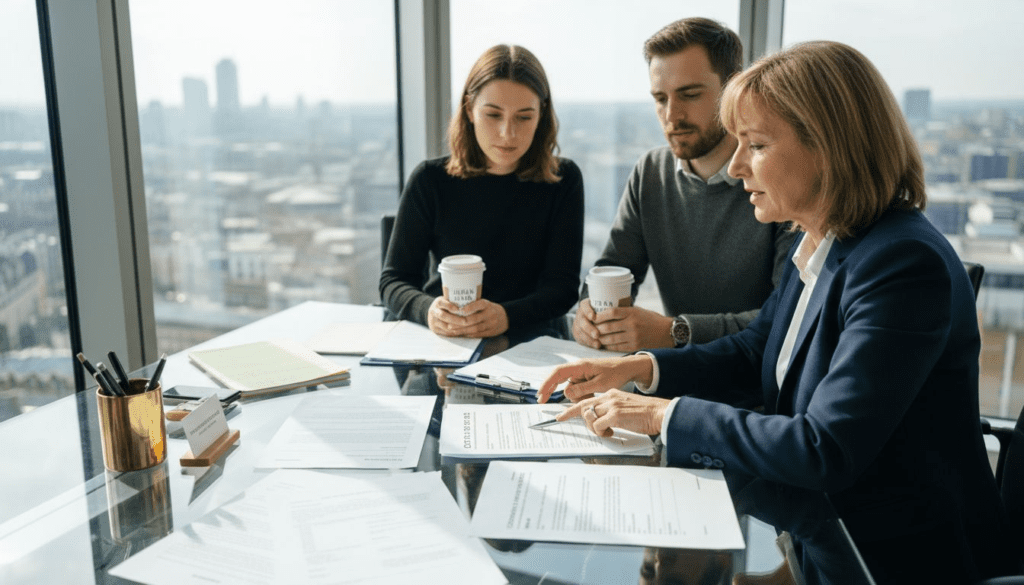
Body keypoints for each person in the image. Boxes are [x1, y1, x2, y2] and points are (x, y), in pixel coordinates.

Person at [538, 41, 1021, 583]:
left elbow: (824, 447)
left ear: (830, 148)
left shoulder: (902, 265)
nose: (738, 164)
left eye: (757, 144)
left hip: (893, 557)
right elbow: (755, 351)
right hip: (819, 527)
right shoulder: (822, 235)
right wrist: (642, 369)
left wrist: (662, 415)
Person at [573, 17, 795, 353]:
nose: (671, 116)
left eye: (689, 95)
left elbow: (786, 317)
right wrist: (588, 311)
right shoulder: (651, 171)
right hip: (671, 376)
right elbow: (614, 267)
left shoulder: (775, 179)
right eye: (660, 99)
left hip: (751, 385)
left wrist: (676, 332)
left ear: (732, 89)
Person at [380, 45, 583, 339]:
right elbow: (394, 281)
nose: (507, 133)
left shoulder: (563, 180)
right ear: (469, 110)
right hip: (443, 341)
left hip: (531, 341)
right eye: (493, 115)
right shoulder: (430, 179)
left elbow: (562, 289)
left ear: (541, 117)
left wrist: (506, 316)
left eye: (524, 117)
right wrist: (428, 310)